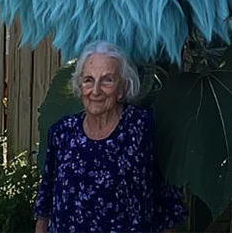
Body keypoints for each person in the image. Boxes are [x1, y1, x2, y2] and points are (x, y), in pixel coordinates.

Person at [34, 41, 186, 233]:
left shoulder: (142, 128)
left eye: (107, 80)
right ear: (79, 85)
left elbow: (165, 200)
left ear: (122, 88)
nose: (96, 90)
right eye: (89, 80)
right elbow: (46, 201)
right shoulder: (62, 132)